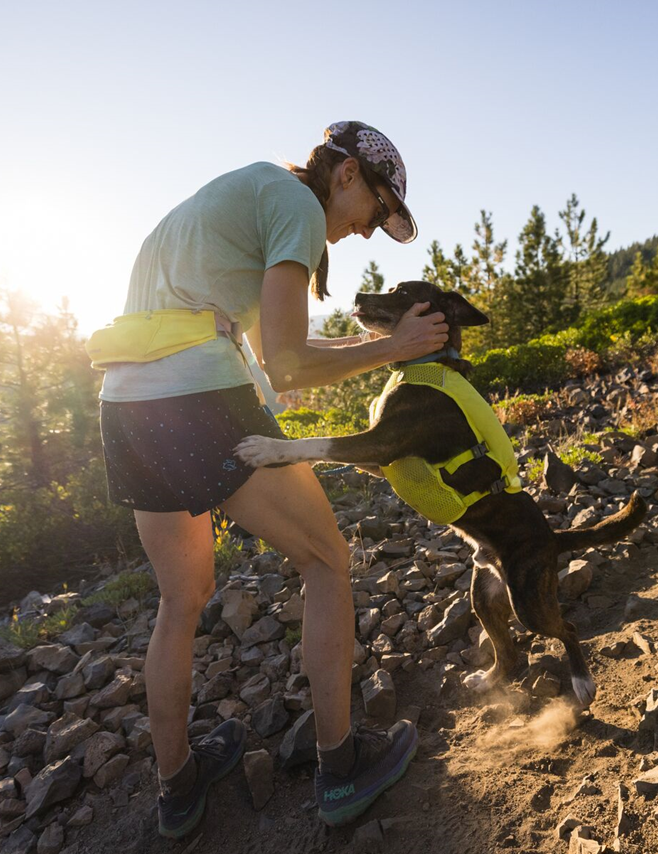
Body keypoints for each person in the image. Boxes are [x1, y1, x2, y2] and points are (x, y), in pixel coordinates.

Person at [95, 122, 448, 837]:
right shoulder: (296, 206)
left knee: (181, 598)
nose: (368, 230)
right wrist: (393, 349)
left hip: (126, 405)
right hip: (195, 397)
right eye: (376, 210)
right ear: (346, 174)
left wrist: (371, 345)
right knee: (327, 560)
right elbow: (285, 365)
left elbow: (273, 348)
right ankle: (341, 768)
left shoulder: (248, 190)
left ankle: (178, 788)